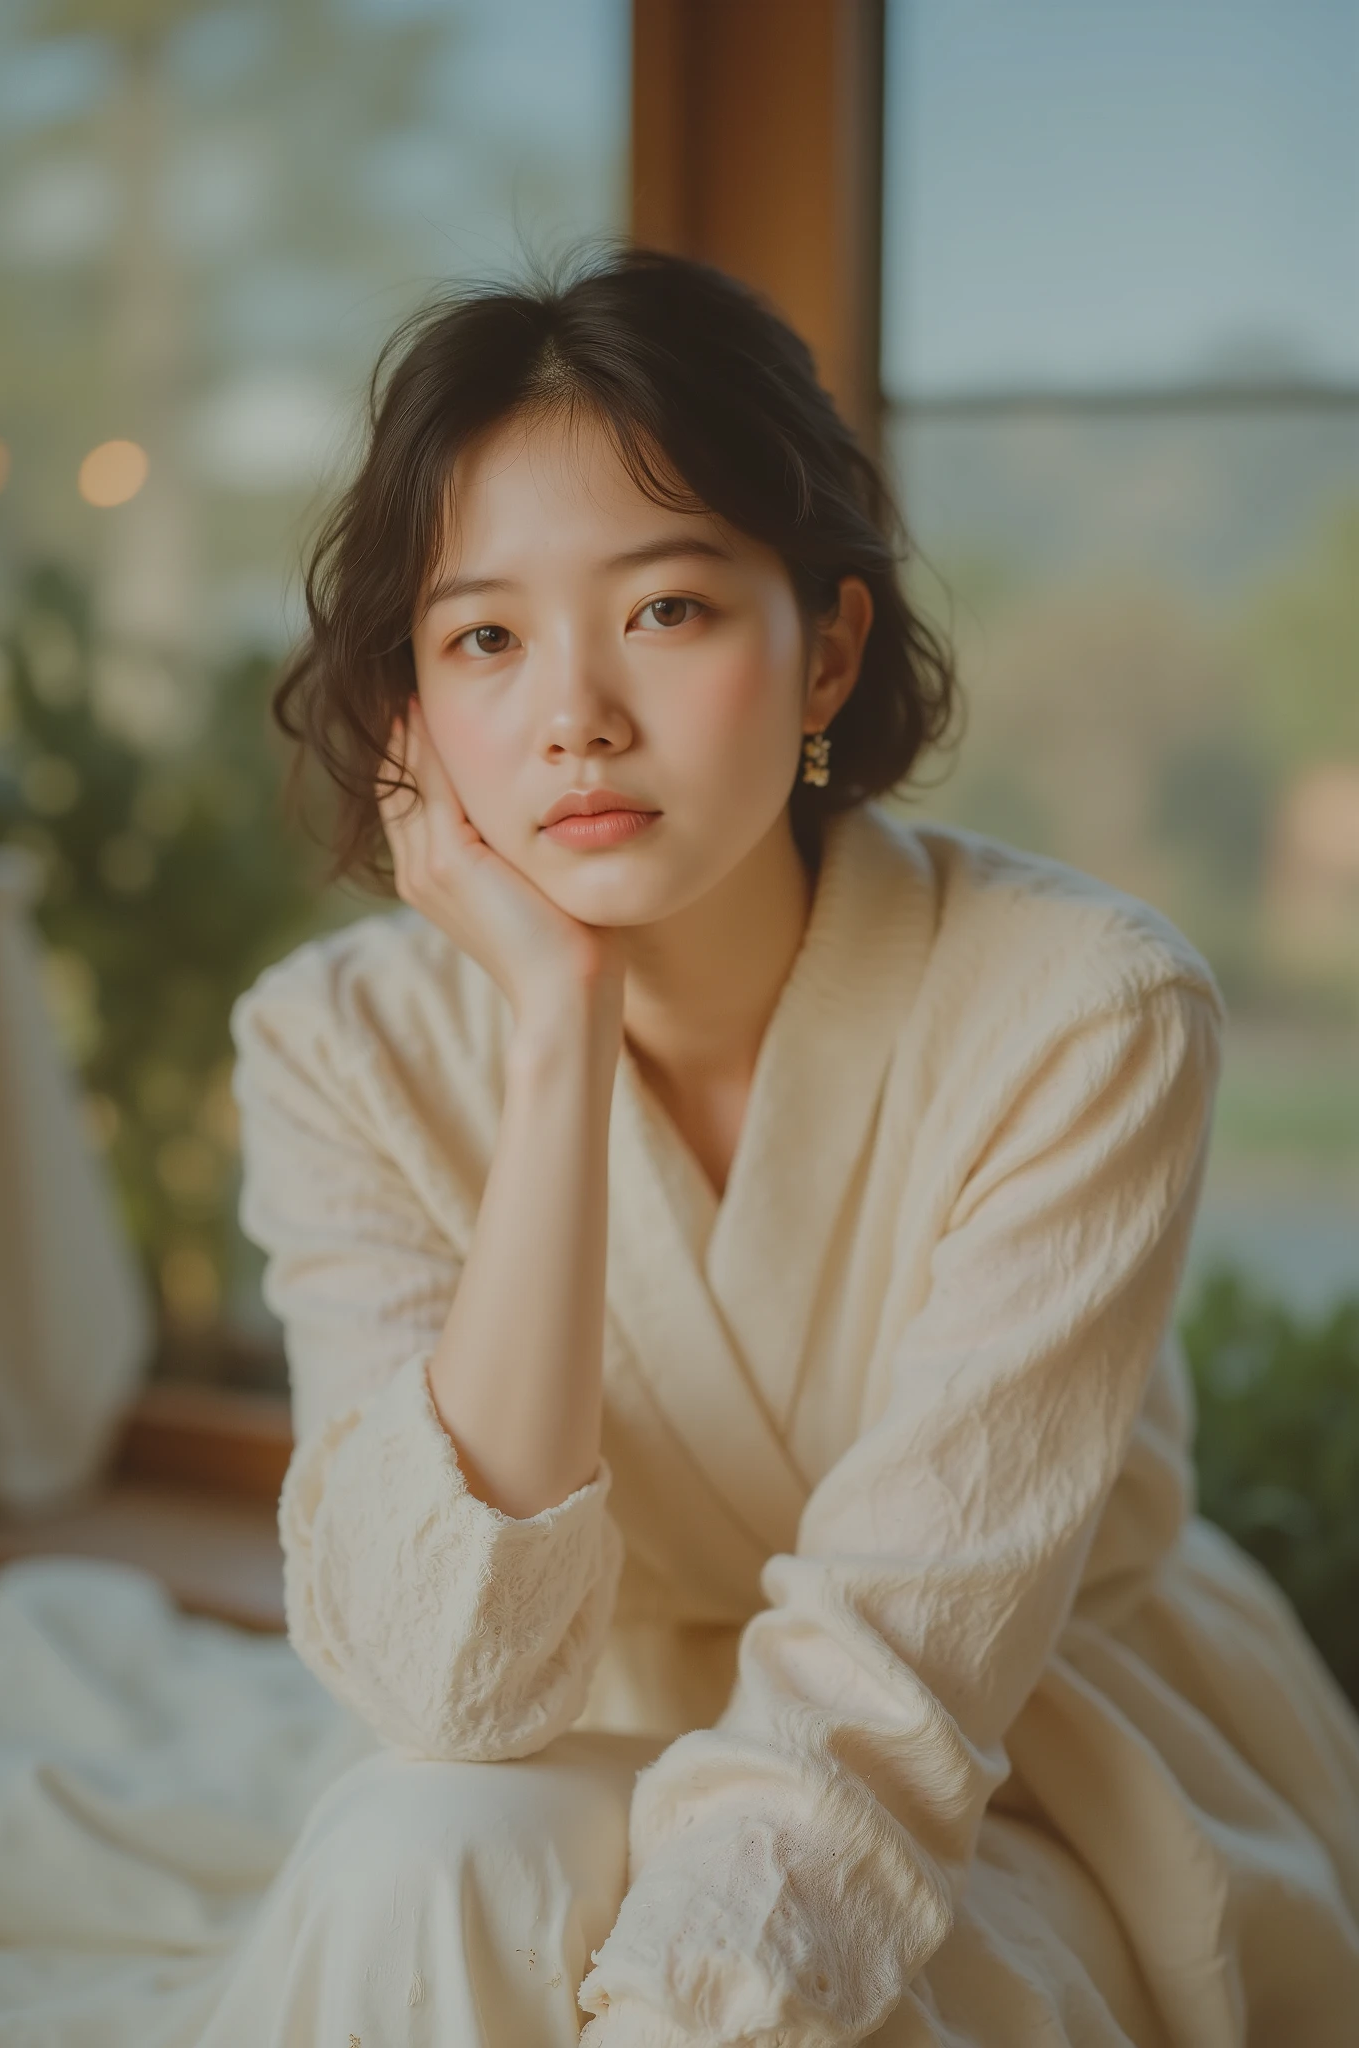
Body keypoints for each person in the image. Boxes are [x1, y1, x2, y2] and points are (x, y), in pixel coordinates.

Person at [212, 243, 1359, 2047]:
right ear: (413, 713)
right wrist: (556, 1033)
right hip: (572, 1730)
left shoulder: (1085, 1010)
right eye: (487, 637)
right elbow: (450, 1685)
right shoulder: (335, 1043)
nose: (575, 712)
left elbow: (898, 1678)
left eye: (665, 609)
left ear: (824, 645)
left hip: (1010, 1747)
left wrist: (697, 2004)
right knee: (410, 1858)